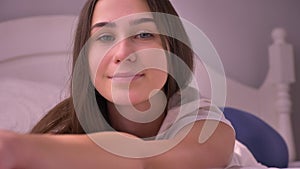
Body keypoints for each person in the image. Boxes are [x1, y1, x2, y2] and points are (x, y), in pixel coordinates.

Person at [0, 0, 237, 168]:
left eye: (144, 34)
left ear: (171, 50)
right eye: (104, 37)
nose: (122, 53)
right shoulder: (61, 132)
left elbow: (148, 160)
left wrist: (15, 147)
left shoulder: (206, 125)